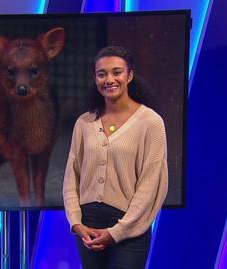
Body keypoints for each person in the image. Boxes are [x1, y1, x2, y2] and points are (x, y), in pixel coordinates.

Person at [62, 46, 168, 269]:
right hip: (88, 227)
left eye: (116, 72)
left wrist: (117, 232)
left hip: (131, 228)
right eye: (102, 74)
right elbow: (72, 176)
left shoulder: (151, 122)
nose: (109, 79)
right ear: (95, 79)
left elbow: (151, 184)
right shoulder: (84, 122)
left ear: (129, 76)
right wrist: (76, 223)